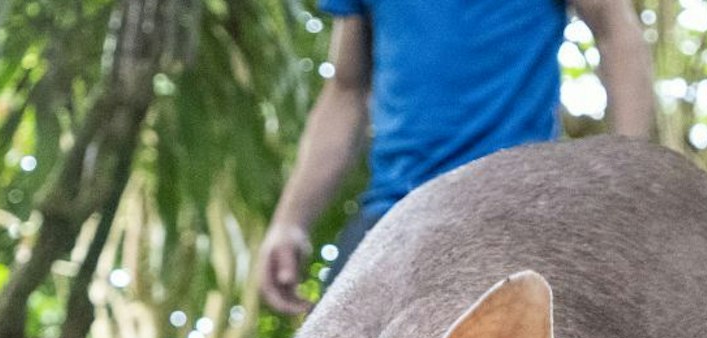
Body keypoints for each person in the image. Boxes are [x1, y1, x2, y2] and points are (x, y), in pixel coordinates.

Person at [259, 0, 657, 315]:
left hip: (511, 212)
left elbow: (615, 32)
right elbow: (346, 90)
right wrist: (289, 222)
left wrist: (628, 187)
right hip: (391, 217)